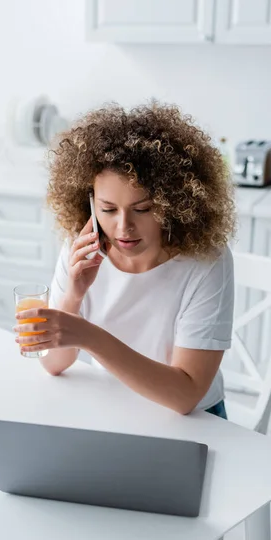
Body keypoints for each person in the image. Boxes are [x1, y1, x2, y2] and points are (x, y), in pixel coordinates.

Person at [14, 102, 236, 416]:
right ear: (89, 201)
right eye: (107, 209)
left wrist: (89, 336)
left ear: (171, 203)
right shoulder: (82, 248)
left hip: (196, 421)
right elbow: (53, 364)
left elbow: (186, 395)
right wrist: (74, 295)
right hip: (116, 406)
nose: (123, 227)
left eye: (142, 209)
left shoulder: (205, 260)